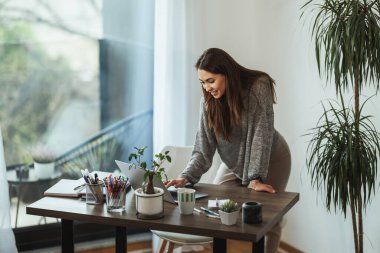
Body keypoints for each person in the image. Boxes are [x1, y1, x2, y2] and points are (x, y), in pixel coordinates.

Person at [165, 48, 291, 253]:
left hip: (272, 157)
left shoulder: (258, 86)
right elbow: (202, 150)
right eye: (203, 82)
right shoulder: (208, 103)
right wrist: (185, 177)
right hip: (235, 162)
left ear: (227, 74)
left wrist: (256, 178)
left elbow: (261, 134)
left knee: (268, 217)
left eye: (211, 81)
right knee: (218, 207)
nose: (207, 88)